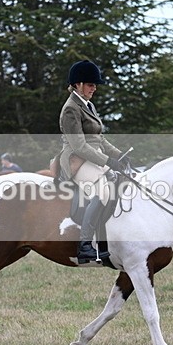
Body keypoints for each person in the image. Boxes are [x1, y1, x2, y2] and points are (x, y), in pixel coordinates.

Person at [59, 60, 127, 264]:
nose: (94, 88)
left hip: (93, 156)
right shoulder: (70, 109)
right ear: (78, 84)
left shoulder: (88, 105)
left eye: (94, 85)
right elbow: (80, 146)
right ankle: (85, 246)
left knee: (118, 184)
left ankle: (105, 243)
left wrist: (119, 155)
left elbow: (99, 139)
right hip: (76, 160)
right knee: (102, 192)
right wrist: (108, 161)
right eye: (90, 84)